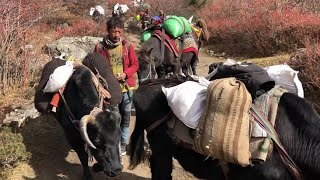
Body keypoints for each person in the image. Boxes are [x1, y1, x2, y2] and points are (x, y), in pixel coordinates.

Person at [94, 16, 139, 155]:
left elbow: (135, 64)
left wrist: (125, 74)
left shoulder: (127, 46)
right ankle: (115, 143)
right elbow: (95, 65)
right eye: (114, 31)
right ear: (108, 31)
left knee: (126, 118)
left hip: (126, 88)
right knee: (115, 118)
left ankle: (123, 144)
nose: (117, 35)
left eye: (119, 31)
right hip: (110, 90)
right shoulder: (100, 47)